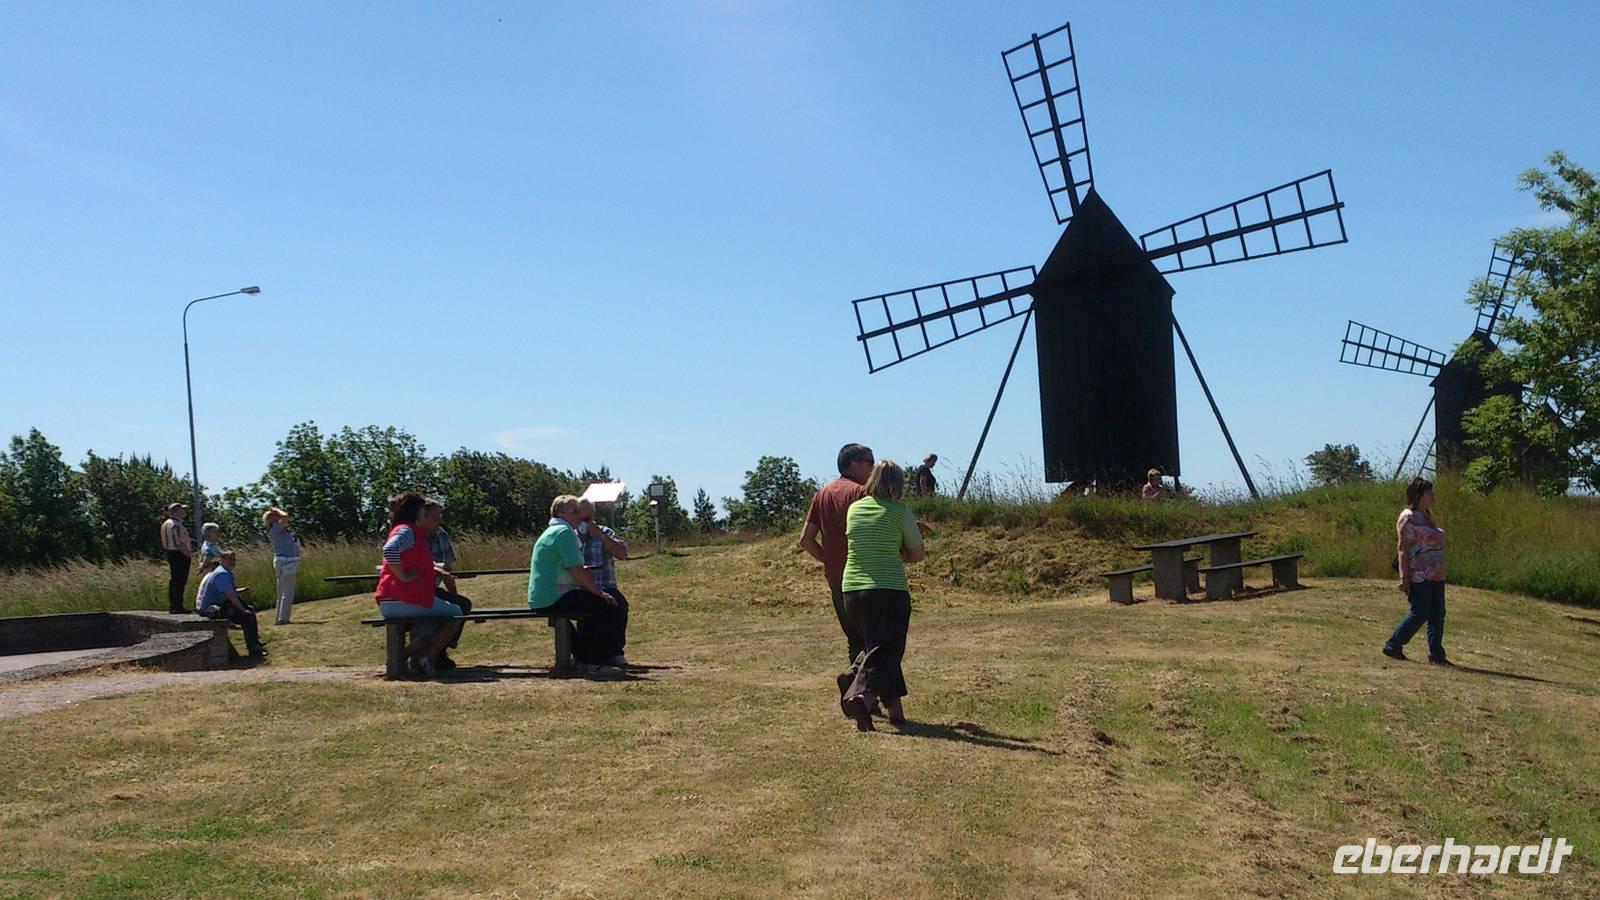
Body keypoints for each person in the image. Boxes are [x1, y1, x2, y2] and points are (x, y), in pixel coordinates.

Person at [839, 460, 926, 731]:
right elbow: (917, 553)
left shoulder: (854, 509)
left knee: (879, 647)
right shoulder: (900, 512)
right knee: (889, 650)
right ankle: (861, 696)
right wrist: (899, 552)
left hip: (852, 589)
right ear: (898, 484)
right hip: (888, 589)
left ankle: (895, 710)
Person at [799, 443, 875, 686]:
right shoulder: (861, 493)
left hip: (836, 577)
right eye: (869, 462)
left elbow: (806, 539)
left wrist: (830, 560)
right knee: (876, 638)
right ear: (853, 464)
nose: (873, 467)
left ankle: (859, 695)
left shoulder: (821, 494)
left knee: (855, 638)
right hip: (863, 576)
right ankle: (859, 683)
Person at [527, 495, 627, 674]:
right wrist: (599, 593)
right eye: (575, 511)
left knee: (598, 604)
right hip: (553, 596)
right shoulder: (563, 533)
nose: (579, 516)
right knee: (603, 604)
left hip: (547, 596)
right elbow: (577, 570)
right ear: (561, 513)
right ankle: (595, 661)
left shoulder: (557, 531)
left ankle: (585, 658)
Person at [375, 491, 461, 677]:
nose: (426, 513)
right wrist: (403, 577)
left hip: (392, 599)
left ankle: (403, 656)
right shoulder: (408, 530)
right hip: (405, 599)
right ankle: (428, 658)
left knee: (432, 626)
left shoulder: (403, 529)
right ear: (416, 511)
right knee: (456, 613)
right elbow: (390, 550)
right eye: (423, 509)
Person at [1384, 477, 1449, 665]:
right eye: (1429, 493)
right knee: (1420, 612)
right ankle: (1393, 644)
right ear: (1419, 495)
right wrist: (1404, 577)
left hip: (1436, 573)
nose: (1433, 496)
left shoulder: (1426, 515)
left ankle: (1436, 654)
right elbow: (1403, 548)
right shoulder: (1408, 517)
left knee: (1437, 613)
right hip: (1419, 573)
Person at [577, 498, 630, 666]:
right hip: (581, 588)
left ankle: (615, 652)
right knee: (590, 611)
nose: (583, 523)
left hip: (605, 585)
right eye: (580, 519)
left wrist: (600, 536)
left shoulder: (605, 532)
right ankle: (585, 654)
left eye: (587, 519)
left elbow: (622, 554)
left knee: (619, 604)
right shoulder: (569, 536)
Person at [420, 499, 472, 670]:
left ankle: (441, 650)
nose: (439, 520)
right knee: (453, 609)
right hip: (416, 591)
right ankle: (430, 654)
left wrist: (454, 596)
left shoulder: (441, 535)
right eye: (436, 517)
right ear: (423, 516)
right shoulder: (411, 536)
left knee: (462, 604)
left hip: (433, 590)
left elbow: (447, 570)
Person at [196, 550, 265, 658]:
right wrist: (242, 610)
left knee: (249, 610)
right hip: (211, 610)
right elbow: (230, 595)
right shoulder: (221, 574)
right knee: (247, 616)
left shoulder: (224, 572)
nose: (233, 562)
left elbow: (232, 591)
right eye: (230, 559)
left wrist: (243, 591)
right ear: (222, 560)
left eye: (234, 560)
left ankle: (255, 642)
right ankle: (254, 649)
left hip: (220, 605)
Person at [263, 507, 303, 625]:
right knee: (287, 592)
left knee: (281, 592)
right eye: (276, 516)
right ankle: (283, 618)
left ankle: (279, 617)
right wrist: (276, 510)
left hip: (282, 561)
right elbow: (285, 516)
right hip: (287, 562)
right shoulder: (276, 528)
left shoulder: (278, 530)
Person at [160, 502, 193, 614]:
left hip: (170, 552)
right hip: (179, 554)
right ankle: (178, 606)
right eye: (182, 510)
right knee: (180, 580)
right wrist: (187, 554)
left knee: (174, 580)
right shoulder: (176, 525)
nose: (184, 512)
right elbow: (179, 542)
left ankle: (173, 605)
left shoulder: (165, 524)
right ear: (177, 511)